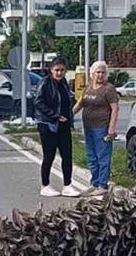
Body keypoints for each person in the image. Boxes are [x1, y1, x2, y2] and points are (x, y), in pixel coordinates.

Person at [33, 58, 82, 198]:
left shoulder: (64, 83)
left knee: (67, 155)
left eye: (62, 70)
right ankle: (45, 185)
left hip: (64, 124)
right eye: (57, 70)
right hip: (48, 124)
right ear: (51, 70)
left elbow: (67, 101)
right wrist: (54, 116)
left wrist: (69, 119)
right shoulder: (45, 82)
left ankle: (67, 185)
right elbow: (38, 102)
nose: (59, 73)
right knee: (49, 156)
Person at [74, 61, 121, 195]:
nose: (100, 75)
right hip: (88, 126)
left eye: (103, 72)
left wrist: (111, 129)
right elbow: (80, 104)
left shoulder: (109, 89)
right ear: (92, 73)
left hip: (102, 127)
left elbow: (115, 109)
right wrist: (68, 116)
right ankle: (94, 183)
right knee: (92, 157)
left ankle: (102, 185)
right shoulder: (88, 87)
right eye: (97, 72)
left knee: (103, 157)